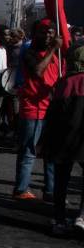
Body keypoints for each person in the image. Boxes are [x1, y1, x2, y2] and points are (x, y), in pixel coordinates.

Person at [12, 19, 62, 201]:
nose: (47, 35)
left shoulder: (58, 56)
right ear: (36, 34)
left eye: (51, 32)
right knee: (28, 151)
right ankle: (21, 189)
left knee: (51, 153)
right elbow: (38, 71)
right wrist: (53, 49)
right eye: (43, 32)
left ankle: (51, 191)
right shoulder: (30, 52)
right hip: (33, 109)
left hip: (51, 109)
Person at [39, 42, 84, 235]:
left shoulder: (64, 83)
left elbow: (53, 115)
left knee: (61, 181)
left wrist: (45, 140)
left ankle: (59, 220)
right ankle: (82, 217)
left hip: (63, 138)